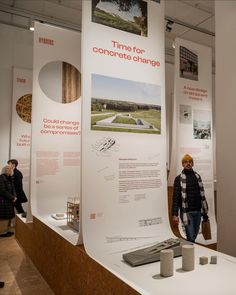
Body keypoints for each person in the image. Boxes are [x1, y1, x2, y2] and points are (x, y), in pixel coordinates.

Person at [172, 154, 209, 243]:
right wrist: (175, 214)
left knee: (194, 235)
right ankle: (190, 254)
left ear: (192, 163)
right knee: (191, 237)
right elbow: (176, 198)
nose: (188, 163)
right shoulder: (178, 179)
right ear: (182, 164)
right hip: (187, 212)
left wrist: (204, 212)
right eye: (185, 162)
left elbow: (202, 195)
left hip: (197, 211)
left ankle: (190, 251)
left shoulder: (197, 176)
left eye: (190, 162)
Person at [0, 165, 17, 237]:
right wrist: (12, 197)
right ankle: (2, 232)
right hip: (3, 201)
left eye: (10, 169)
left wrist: (15, 196)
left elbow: (13, 189)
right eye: (7, 168)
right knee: (3, 217)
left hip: (9, 201)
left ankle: (6, 231)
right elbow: (2, 191)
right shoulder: (1, 177)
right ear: (4, 170)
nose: (9, 170)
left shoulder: (10, 177)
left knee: (9, 217)